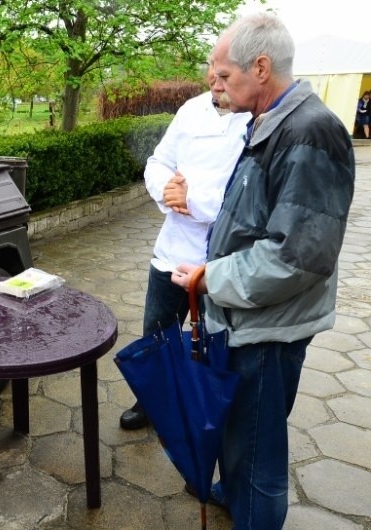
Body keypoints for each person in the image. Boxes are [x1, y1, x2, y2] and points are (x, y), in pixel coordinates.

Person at [171, 13, 354, 529]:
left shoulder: (310, 133)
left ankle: (252, 507)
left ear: (262, 66)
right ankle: (233, 491)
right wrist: (214, 267)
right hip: (246, 318)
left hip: (268, 329)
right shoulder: (269, 121)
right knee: (241, 433)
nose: (215, 84)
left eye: (224, 75)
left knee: (258, 453)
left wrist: (213, 278)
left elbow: (297, 257)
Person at [120, 63, 251, 430]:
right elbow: (158, 161)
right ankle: (151, 402)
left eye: (224, 72)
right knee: (157, 333)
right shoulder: (191, 110)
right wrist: (168, 190)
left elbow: (244, 191)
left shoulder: (254, 119)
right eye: (211, 70)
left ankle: (203, 408)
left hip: (220, 259)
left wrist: (194, 199)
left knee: (214, 339)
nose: (215, 79)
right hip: (173, 251)